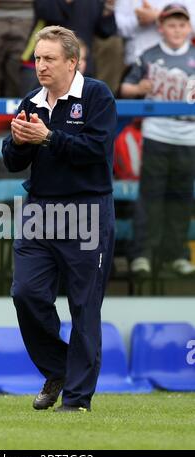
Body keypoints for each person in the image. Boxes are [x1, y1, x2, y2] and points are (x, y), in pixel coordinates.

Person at [2, 26, 117, 412]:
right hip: (39, 211)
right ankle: (59, 368)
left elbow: (97, 150)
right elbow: (12, 161)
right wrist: (17, 142)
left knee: (84, 306)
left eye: (49, 58)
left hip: (87, 210)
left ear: (73, 61)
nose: (41, 66)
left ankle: (77, 401)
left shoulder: (97, 95)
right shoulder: (31, 101)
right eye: (37, 58)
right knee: (26, 294)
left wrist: (48, 138)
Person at [121, 4, 195, 276]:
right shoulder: (148, 56)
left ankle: (176, 254)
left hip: (189, 139)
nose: (177, 30)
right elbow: (125, 88)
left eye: (181, 25)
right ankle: (143, 255)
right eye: (171, 25)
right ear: (160, 28)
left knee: (181, 198)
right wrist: (139, 88)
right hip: (157, 135)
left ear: (189, 27)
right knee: (150, 197)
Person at [20, 0, 117, 95]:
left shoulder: (93, 3)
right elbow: (48, 12)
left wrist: (109, 4)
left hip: (80, 64)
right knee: (33, 104)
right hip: (38, 64)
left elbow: (106, 31)